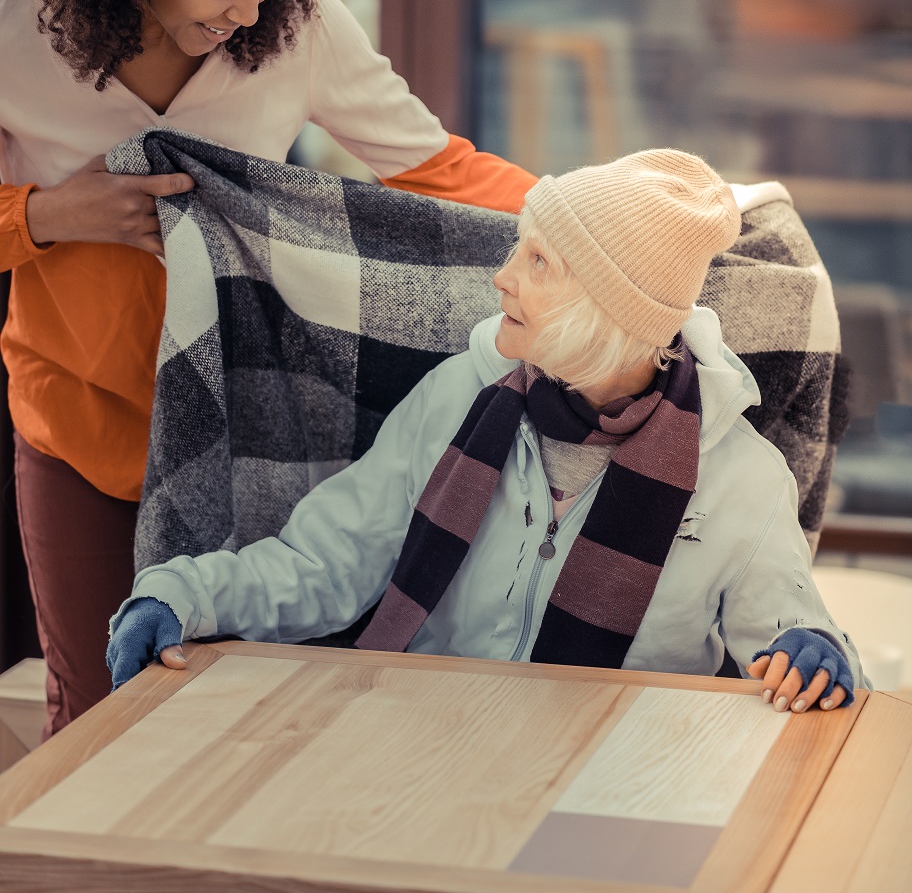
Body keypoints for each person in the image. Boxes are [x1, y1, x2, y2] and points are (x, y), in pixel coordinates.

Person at [0, 0, 536, 735]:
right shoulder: (13, 28)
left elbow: (436, 169)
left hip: (246, 424)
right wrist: (47, 214)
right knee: (93, 714)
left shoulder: (298, 19)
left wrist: (590, 217)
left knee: (224, 713)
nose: (253, 11)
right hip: (78, 417)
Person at [109, 151, 863, 714]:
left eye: (539, 261)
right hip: (426, 751)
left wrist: (815, 656)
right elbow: (326, 566)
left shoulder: (741, 477)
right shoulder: (453, 401)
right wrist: (182, 594)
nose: (502, 277)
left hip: (620, 788)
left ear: (614, 311)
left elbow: (795, 636)